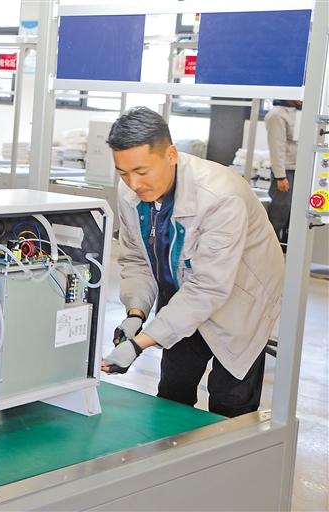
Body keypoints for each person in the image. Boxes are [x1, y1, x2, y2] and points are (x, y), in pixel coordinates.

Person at [100, 107, 284, 418]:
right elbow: (137, 258)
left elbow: (209, 287)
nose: (133, 183)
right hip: (183, 298)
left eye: (142, 171)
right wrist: (136, 313)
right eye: (123, 173)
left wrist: (138, 345)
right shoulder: (131, 193)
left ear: (171, 155)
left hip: (240, 301)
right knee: (172, 395)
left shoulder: (219, 196)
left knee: (230, 405)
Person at [265, 99, 301, 251]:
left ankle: (287, 245)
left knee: (295, 210)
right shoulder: (277, 114)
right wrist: (280, 176)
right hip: (286, 170)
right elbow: (276, 147)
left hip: (300, 168)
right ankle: (269, 246)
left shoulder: (300, 111)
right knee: (280, 210)